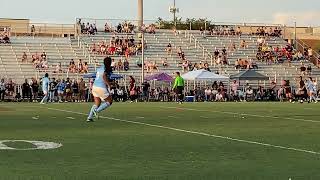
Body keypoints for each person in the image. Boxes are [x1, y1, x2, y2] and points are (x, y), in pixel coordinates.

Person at [87, 57, 113, 122]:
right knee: (109, 101)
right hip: (101, 87)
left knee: (97, 103)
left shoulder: (100, 68)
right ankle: (96, 111)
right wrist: (109, 85)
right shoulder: (107, 68)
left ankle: (89, 117)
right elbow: (104, 76)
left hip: (94, 87)